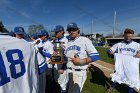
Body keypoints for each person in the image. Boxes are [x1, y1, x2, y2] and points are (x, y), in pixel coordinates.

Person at [0, 26, 48, 93]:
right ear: (15, 33)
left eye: (21, 34)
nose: (20, 35)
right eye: (19, 34)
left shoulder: (27, 43)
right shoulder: (28, 44)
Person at [64, 22, 100, 93]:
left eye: (73, 29)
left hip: (79, 73)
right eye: (69, 30)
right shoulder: (68, 43)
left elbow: (96, 56)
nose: (71, 31)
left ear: (78, 30)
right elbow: (66, 58)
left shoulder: (84, 40)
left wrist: (81, 61)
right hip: (68, 71)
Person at [107, 28, 140, 93]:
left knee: (132, 80)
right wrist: (111, 53)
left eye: (130, 36)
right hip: (121, 65)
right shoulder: (119, 44)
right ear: (124, 35)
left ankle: (130, 92)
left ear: (132, 36)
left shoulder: (137, 45)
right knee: (117, 75)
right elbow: (109, 50)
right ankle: (113, 87)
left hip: (132, 66)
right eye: (126, 36)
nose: (128, 37)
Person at [53, 25, 68, 93]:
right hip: (56, 64)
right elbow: (57, 53)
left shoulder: (66, 41)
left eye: (57, 32)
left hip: (62, 66)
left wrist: (62, 67)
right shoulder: (57, 40)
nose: (55, 34)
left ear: (62, 32)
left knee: (63, 85)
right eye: (55, 32)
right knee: (57, 81)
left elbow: (66, 55)